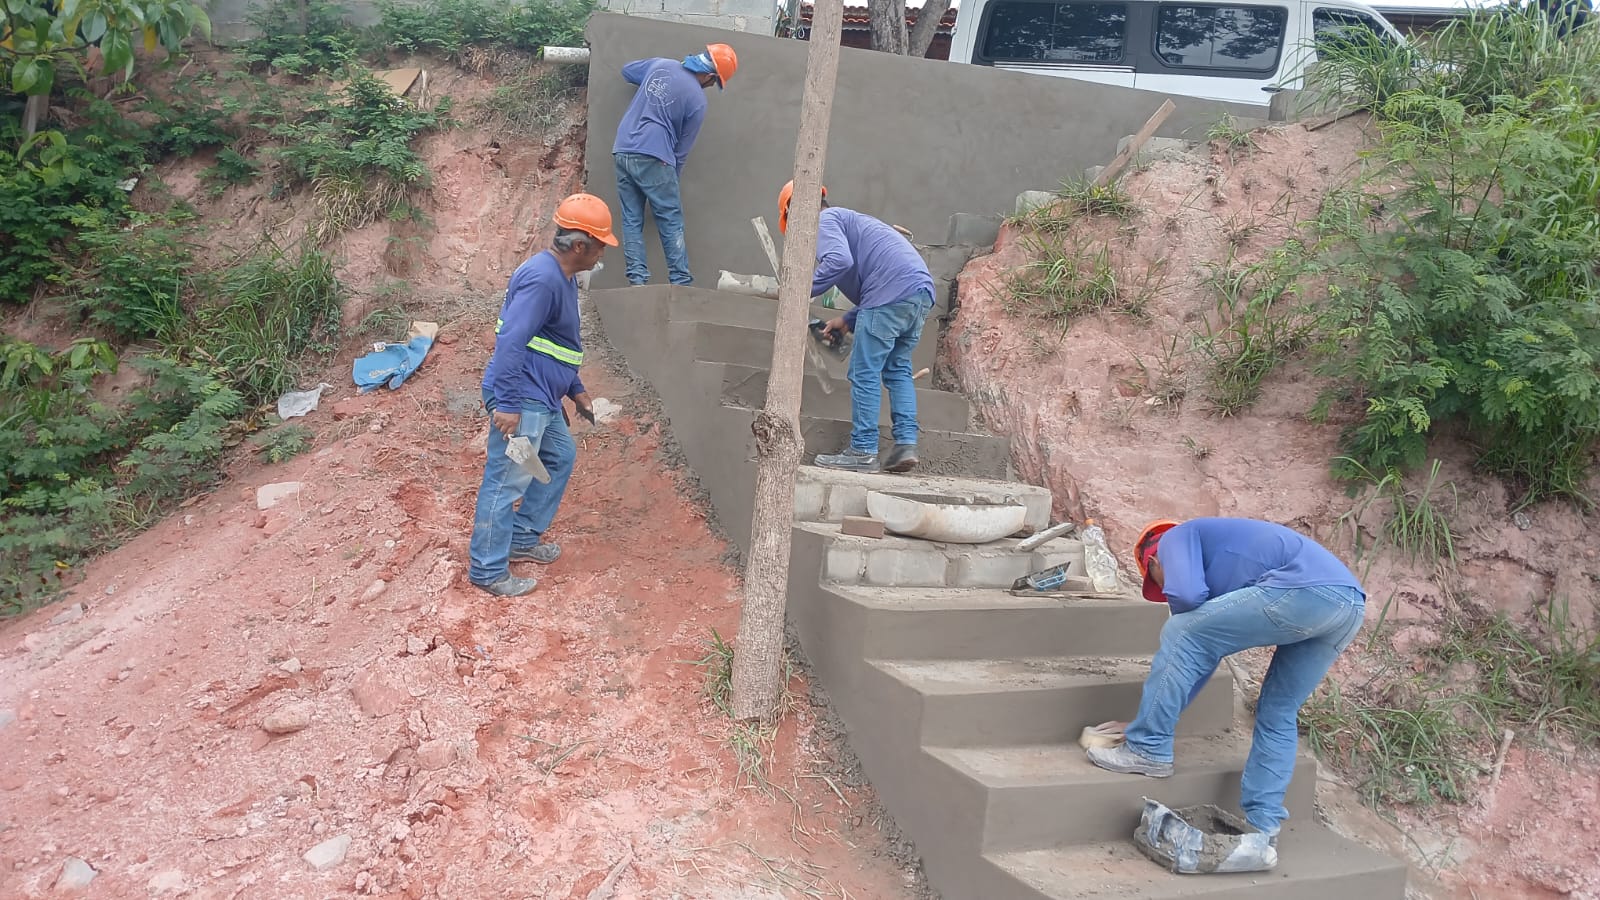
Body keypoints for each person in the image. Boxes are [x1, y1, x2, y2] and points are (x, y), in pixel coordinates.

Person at [1086, 517, 1367, 846]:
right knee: (1278, 711)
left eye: (1159, 583)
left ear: (1154, 561)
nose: (1164, 592)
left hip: (1304, 589)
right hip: (1348, 603)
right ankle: (1263, 827)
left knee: (1181, 629)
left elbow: (1187, 599)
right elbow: (1198, 659)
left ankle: (1147, 749)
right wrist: (1143, 720)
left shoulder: (1174, 537)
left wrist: (1148, 730)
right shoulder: (1226, 560)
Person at [467, 193, 617, 598]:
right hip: (523, 396)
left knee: (558, 456)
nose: (603, 253)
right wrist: (508, 405)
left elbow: (553, 345)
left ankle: (521, 537)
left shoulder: (562, 279)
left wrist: (577, 390)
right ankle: (487, 570)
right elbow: (512, 343)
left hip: (542, 395)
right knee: (507, 480)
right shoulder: (542, 279)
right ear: (581, 245)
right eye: (601, 245)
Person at [777, 181, 934, 474]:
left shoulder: (822, 220)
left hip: (890, 294)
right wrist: (847, 321)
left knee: (864, 370)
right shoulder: (848, 221)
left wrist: (797, 292)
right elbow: (876, 273)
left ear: (794, 212)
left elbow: (838, 260)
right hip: (918, 293)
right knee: (897, 369)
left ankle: (863, 450)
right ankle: (905, 445)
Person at [612, 43, 738, 287]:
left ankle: (637, 281)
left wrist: (656, 86)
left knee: (631, 218)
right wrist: (671, 181)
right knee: (670, 218)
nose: (711, 87)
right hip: (655, 156)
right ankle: (680, 281)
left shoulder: (661, 65)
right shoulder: (698, 101)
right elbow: (681, 152)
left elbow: (627, 71)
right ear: (709, 76)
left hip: (623, 147)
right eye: (714, 82)